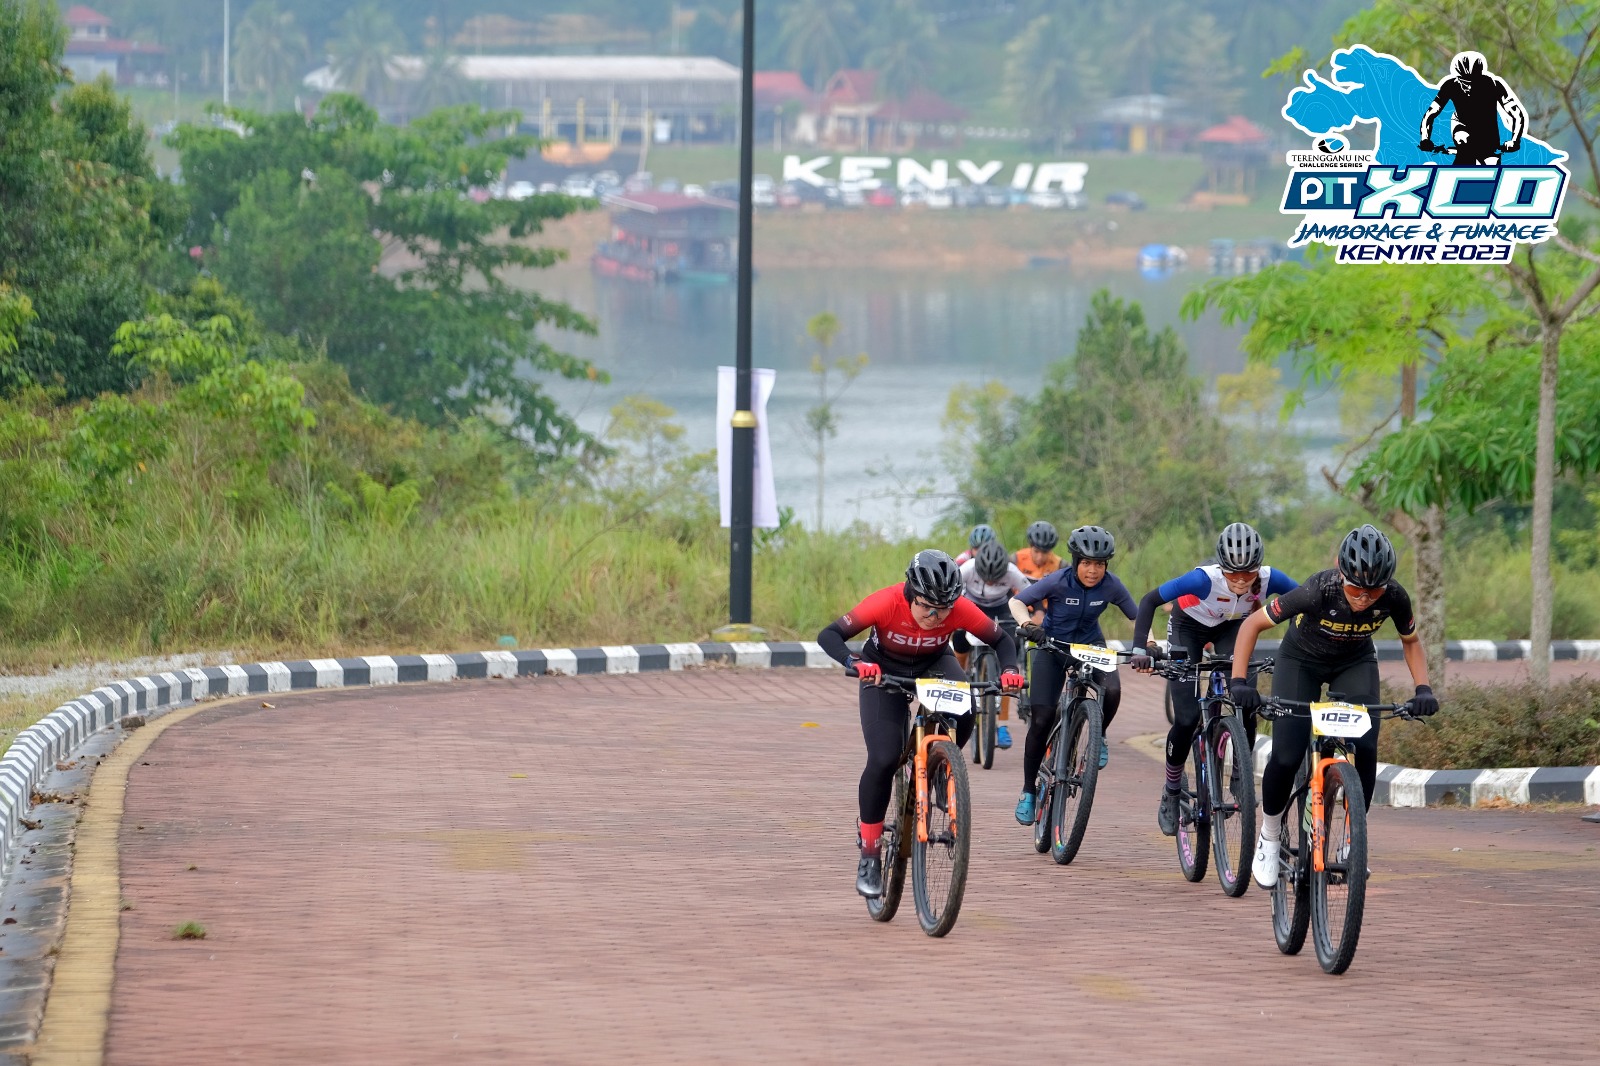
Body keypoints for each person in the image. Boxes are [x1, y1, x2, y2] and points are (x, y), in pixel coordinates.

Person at [1228, 525, 1439, 888]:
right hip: (1300, 661)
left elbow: (1411, 641)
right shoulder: (1316, 590)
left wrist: (1423, 688)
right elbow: (1251, 625)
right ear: (1342, 575)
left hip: (1354, 663)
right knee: (1286, 754)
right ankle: (1271, 834)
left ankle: (1352, 839)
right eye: (1356, 589)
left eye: (1374, 591)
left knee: (1367, 744)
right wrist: (1237, 682)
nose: (1364, 598)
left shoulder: (1394, 597)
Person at [818, 549, 1025, 898]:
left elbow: (1002, 640)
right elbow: (829, 635)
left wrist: (1010, 671)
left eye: (943, 608)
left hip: (934, 664)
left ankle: (942, 765)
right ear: (911, 594)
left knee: (966, 706)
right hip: (883, 670)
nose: (935, 615)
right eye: (928, 605)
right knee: (884, 758)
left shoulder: (957, 608)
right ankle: (870, 851)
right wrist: (854, 662)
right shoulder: (885, 602)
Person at [1129, 522, 1299, 836]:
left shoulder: (1268, 579)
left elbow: (1302, 602)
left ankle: (1240, 774)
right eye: (1233, 574)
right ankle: (1171, 790)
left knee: (1246, 697)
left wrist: (1297, 647)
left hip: (1232, 629)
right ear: (1222, 568)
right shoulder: (1202, 579)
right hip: (1188, 627)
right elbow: (1149, 600)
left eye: (1248, 574)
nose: (1240, 581)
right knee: (1187, 717)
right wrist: (1140, 648)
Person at [1007, 525, 1137, 825]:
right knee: (1042, 718)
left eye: (1100, 564)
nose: (1093, 570)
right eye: (1087, 563)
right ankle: (1028, 791)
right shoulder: (1058, 581)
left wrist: (1151, 642)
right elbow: (1017, 602)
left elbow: (1136, 614)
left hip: (1091, 645)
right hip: (1052, 646)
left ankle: (1099, 735)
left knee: (1113, 690)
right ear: (1076, 561)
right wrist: (1028, 625)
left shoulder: (1112, 585)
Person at [952, 538, 1031, 749]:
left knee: (1010, 651)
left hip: (1000, 608)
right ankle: (958, 674)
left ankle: (1002, 723)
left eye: (995, 579)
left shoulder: (1013, 572)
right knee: (959, 638)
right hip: (972, 604)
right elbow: (952, 595)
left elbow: (1029, 596)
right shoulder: (967, 568)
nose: (989, 582)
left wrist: (1031, 617)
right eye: (986, 578)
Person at [1418, 51, 1526, 166]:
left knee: (1492, 166)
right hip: (1461, 126)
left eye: (1474, 82)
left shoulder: (1493, 85)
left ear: (1480, 76)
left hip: (1488, 134)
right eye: (1464, 82)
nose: (1469, 86)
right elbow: (1430, 114)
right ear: (1458, 78)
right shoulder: (1450, 85)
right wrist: (1425, 139)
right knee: (1464, 140)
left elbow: (1517, 114)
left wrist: (1515, 140)